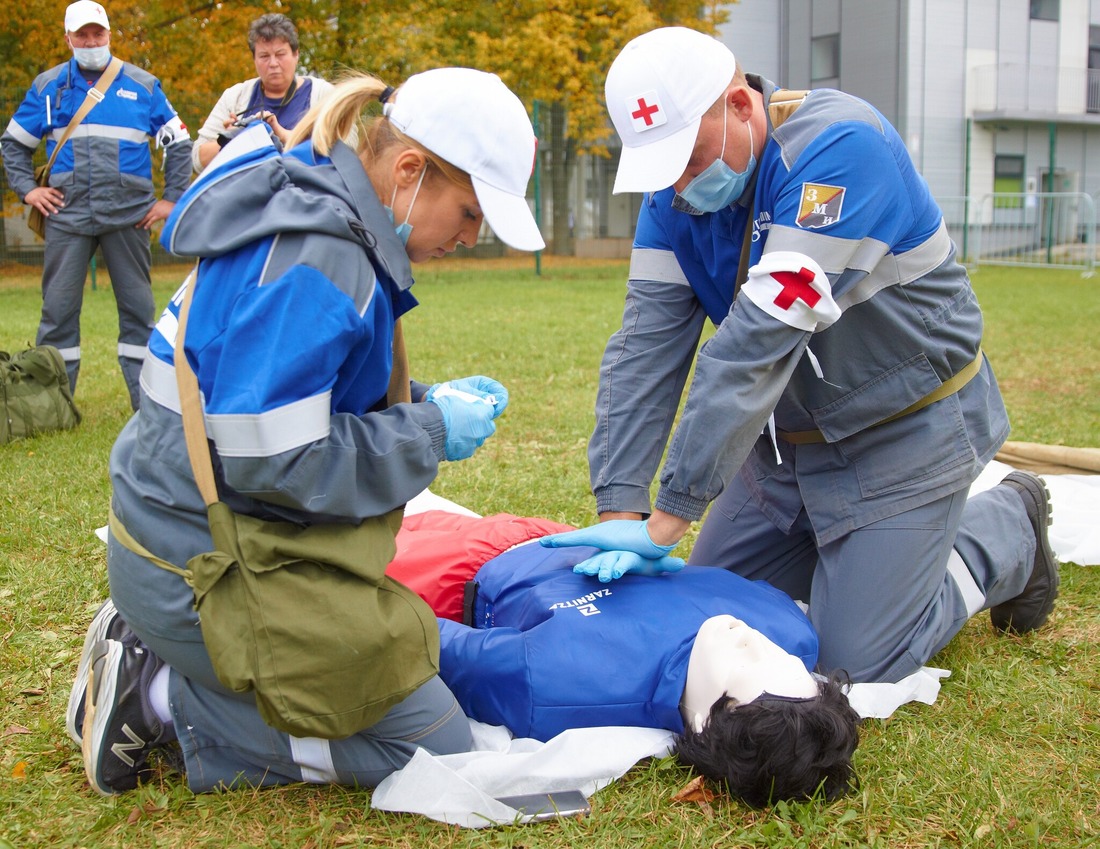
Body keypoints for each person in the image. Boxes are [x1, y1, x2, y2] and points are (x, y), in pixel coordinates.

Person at [69, 66, 545, 797]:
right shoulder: (328, 253)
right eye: (471, 213)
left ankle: (160, 651)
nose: (472, 238)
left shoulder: (312, 200)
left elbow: (278, 394)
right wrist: (426, 427)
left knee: (405, 676)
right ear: (410, 170)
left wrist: (420, 401)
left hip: (174, 535)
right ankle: (159, 699)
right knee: (431, 748)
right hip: (203, 567)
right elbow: (276, 460)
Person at [541, 26, 1059, 685]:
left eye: (690, 156)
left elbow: (756, 343)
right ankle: (857, 557)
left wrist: (669, 516)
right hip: (786, 449)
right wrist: (620, 508)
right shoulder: (671, 197)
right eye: (662, 163)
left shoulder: (840, 147)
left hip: (902, 430)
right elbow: (643, 352)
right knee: (713, 621)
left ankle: (1005, 529)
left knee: (855, 661)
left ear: (738, 104)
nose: (677, 182)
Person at [387, 509, 860, 807]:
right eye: (789, 664)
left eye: (745, 670)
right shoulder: (793, 634)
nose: (753, 640)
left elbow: (423, 638)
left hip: (464, 566)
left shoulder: (562, 682)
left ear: (703, 724)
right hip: (567, 536)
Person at [1, 0, 193, 410]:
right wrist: (27, 190)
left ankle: (150, 405)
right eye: (82, 35)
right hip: (66, 217)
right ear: (68, 38)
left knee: (140, 315)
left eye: (97, 34)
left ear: (109, 35)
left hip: (129, 217)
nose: (91, 41)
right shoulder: (47, 86)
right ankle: (52, 407)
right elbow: (13, 145)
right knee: (57, 314)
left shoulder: (143, 85)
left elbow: (180, 144)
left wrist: (172, 199)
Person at [191, 13, 335, 174]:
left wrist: (283, 136)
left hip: (309, 194)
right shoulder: (234, 97)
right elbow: (198, 158)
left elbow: (347, 147)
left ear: (296, 54)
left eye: (280, 54)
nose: (273, 63)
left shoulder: (324, 95)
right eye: (264, 56)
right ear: (254, 59)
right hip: (249, 194)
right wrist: (233, 139)